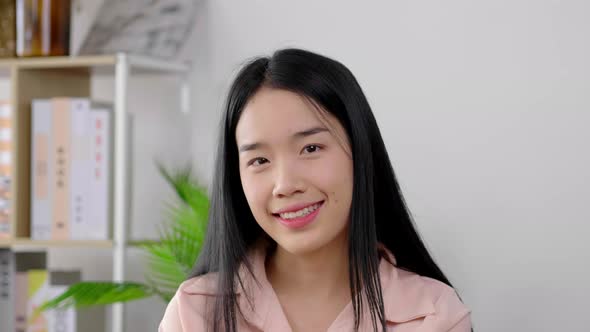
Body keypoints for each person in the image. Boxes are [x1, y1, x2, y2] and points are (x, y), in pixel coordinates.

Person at [159, 48, 472, 332]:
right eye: (260, 160)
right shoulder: (194, 314)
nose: (285, 185)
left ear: (360, 153)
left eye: (310, 148)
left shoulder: (434, 316)